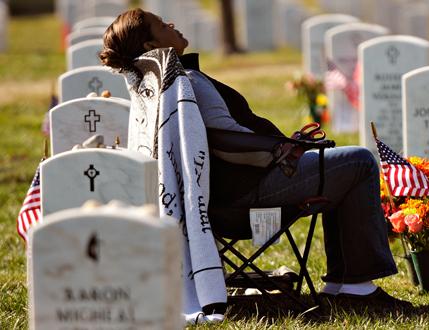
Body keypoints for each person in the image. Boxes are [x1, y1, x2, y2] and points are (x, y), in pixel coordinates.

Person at [99, 8, 407, 317]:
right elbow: (222, 139)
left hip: (222, 194)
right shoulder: (186, 81)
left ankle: (345, 284)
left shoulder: (155, 87)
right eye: (161, 24)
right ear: (151, 47)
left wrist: (286, 145)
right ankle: (356, 288)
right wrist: (281, 149)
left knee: (339, 166)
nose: (171, 23)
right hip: (246, 190)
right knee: (359, 162)